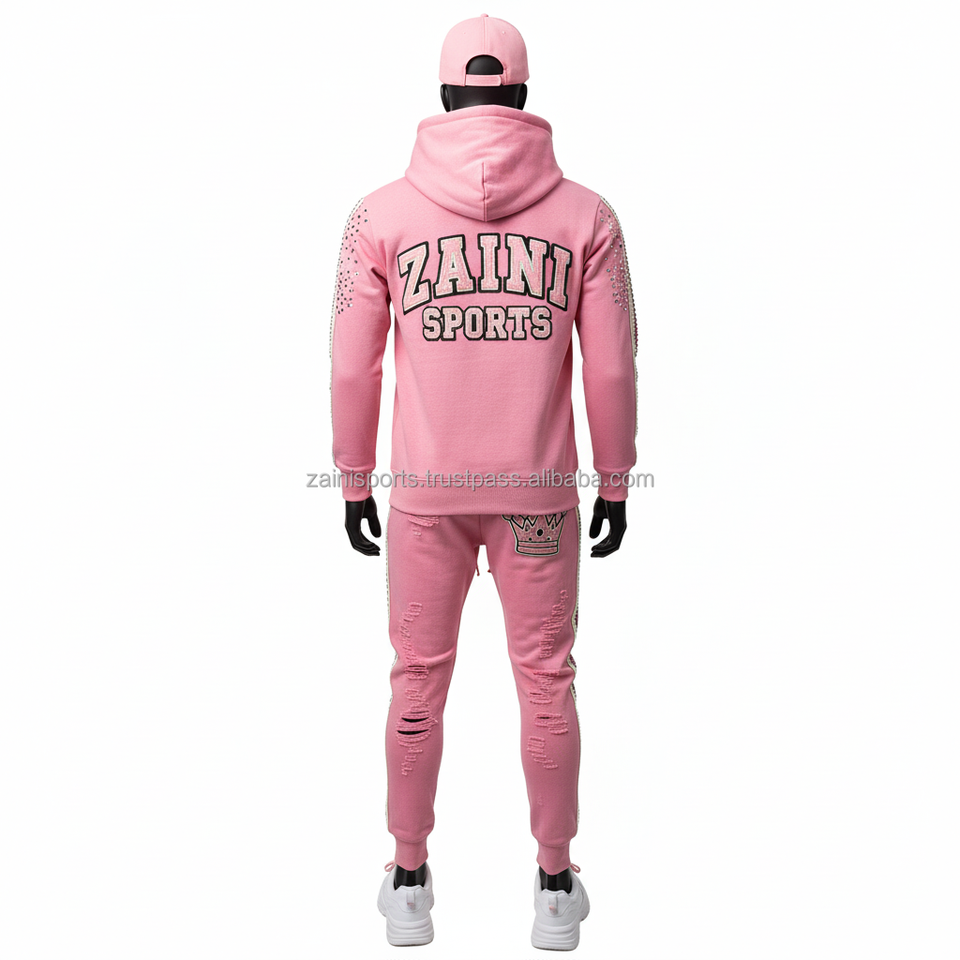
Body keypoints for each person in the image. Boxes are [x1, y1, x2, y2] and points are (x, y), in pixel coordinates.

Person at [329, 14, 637, 951]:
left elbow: (351, 365)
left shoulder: (379, 216)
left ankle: (407, 877)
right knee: (547, 682)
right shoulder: (587, 217)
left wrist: (353, 480)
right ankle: (556, 884)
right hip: (537, 498)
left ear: (442, 96)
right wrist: (615, 480)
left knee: (417, 682)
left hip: (426, 498)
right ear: (525, 98)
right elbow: (612, 366)